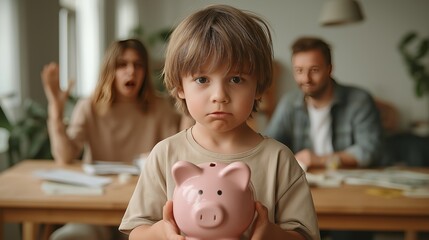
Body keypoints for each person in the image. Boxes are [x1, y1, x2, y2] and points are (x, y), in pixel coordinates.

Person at [119, 5, 320, 240]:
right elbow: (136, 232)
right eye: (202, 79)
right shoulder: (165, 154)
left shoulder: (280, 161)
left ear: (259, 86)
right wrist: (161, 233)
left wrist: (271, 235)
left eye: (236, 79)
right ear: (179, 87)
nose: (219, 95)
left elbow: (305, 236)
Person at [42, 39, 185, 239]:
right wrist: (56, 113)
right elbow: (65, 156)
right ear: (110, 70)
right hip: (96, 210)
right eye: (122, 65)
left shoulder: (160, 108)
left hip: (144, 213)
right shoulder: (89, 106)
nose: (131, 71)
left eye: (138, 65)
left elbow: (179, 157)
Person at [265, 36, 383, 170]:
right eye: (299, 71)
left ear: (329, 69)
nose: (306, 78)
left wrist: (319, 160)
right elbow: (269, 145)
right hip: (309, 182)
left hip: (353, 181)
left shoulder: (359, 100)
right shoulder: (289, 102)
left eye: (314, 70)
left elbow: (370, 150)